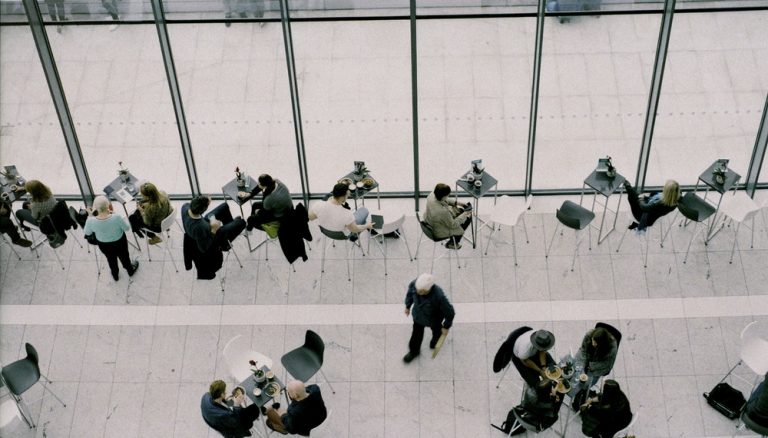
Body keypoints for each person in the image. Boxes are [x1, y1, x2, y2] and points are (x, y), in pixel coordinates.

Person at [402, 273, 456, 363]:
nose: (418, 292)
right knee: (416, 335)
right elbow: (410, 294)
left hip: (434, 320)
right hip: (418, 317)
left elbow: (450, 312)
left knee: (437, 332)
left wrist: (446, 326)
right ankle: (414, 351)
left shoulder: (439, 296)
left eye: (421, 291)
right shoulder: (415, 285)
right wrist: (407, 306)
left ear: (429, 289)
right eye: (417, 290)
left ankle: (434, 343)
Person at [83, 195, 139, 281]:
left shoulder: (91, 220)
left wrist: (90, 216)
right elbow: (127, 228)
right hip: (119, 242)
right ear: (108, 206)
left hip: (104, 245)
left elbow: (87, 233)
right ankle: (130, 270)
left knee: (110, 259)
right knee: (124, 257)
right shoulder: (116, 217)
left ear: (95, 208)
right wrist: (114, 213)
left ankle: (115, 275)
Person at [308, 183, 372, 241]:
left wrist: (324, 214)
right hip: (342, 236)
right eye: (347, 195)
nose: (348, 196)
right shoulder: (347, 214)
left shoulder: (319, 204)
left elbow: (310, 218)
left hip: (325, 231)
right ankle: (354, 236)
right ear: (342, 198)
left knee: (350, 221)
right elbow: (354, 229)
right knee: (364, 211)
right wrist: (367, 226)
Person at [182, 195, 246, 253]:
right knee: (242, 222)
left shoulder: (185, 206)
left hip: (204, 224)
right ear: (203, 210)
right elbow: (203, 248)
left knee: (224, 206)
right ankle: (224, 245)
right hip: (212, 238)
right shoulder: (199, 228)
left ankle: (230, 228)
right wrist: (214, 230)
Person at [424, 183, 472, 249]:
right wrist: (466, 213)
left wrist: (458, 203)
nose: (448, 196)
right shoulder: (442, 211)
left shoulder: (431, 195)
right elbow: (453, 224)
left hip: (428, 220)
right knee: (467, 219)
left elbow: (445, 199)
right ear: (443, 196)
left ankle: (453, 241)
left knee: (460, 212)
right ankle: (452, 243)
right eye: (447, 195)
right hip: (437, 230)